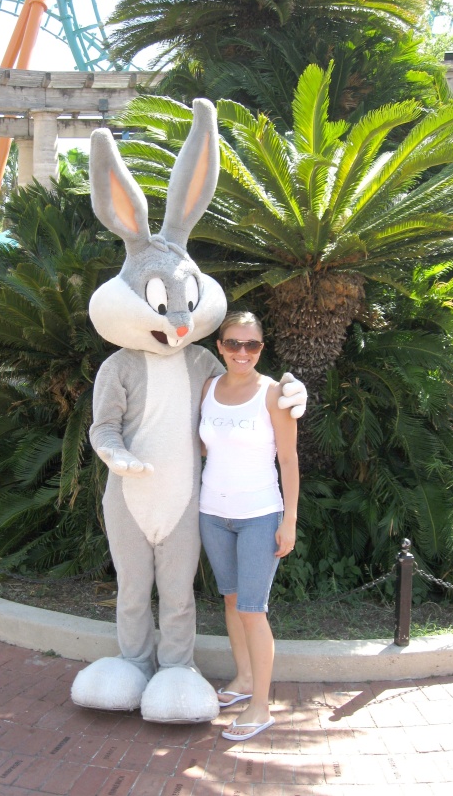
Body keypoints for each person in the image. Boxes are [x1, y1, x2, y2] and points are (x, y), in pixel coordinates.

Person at [199, 310, 299, 741]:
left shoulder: (274, 394)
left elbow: (289, 460)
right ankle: (242, 680)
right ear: (220, 346)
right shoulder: (208, 388)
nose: (242, 352)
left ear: (261, 348)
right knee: (230, 600)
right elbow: (202, 448)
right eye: (233, 344)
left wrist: (290, 519)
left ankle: (261, 705)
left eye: (251, 345)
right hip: (212, 513)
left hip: (260, 514)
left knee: (252, 611)